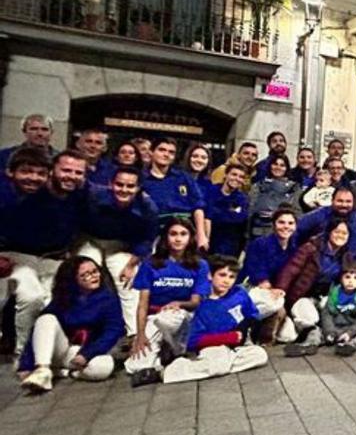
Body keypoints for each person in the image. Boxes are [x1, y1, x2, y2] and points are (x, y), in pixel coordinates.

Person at [0, 149, 88, 356]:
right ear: (10, 172)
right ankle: (23, 353)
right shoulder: (7, 195)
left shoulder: (71, 196)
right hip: (12, 255)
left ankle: (39, 352)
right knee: (31, 297)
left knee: (57, 297)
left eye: (39, 173)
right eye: (26, 172)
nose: (33, 178)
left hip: (48, 257)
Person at [125, 219, 212, 385]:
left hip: (184, 316)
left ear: (190, 238)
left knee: (167, 319)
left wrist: (178, 303)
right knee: (135, 366)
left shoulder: (200, 265)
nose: (178, 239)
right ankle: (163, 361)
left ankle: (176, 351)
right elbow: (143, 304)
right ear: (165, 238)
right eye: (173, 234)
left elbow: (195, 302)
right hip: (155, 317)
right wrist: (140, 334)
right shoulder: (150, 264)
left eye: (183, 234)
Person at [17, 256, 123, 392]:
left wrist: (87, 354)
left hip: (85, 351)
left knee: (104, 367)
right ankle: (43, 370)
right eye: (85, 275)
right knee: (46, 319)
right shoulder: (63, 299)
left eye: (95, 271)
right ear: (74, 279)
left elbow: (112, 331)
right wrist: (25, 365)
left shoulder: (108, 298)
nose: (93, 276)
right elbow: (39, 332)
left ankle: (62, 373)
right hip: (60, 348)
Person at [78, 166, 159, 334]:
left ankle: (134, 334)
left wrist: (131, 265)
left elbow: (147, 240)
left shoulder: (147, 208)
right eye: (119, 184)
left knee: (128, 281)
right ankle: (78, 328)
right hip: (89, 240)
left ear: (138, 188)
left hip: (120, 246)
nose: (124, 190)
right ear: (110, 184)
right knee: (84, 272)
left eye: (130, 186)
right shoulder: (93, 196)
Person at [161, 256, 268, 383]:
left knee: (260, 355)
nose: (226, 281)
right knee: (217, 367)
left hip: (237, 346)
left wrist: (244, 327)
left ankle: (219, 364)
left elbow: (253, 315)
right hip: (214, 345)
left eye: (231, 277)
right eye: (222, 275)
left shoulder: (239, 293)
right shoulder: (202, 305)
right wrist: (229, 337)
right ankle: (170, 371)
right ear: (210, 276)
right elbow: (193, 341)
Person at [276, 219, 353, 341]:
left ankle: (323, 333)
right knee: (309, 319)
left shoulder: (345, 256)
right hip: (304, 296)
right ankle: (309, 332)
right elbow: (291, 269)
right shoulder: (310, 248)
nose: (340, 236)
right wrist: (280, 289)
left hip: (325, 297)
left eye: (344, 233)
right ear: (329, 232)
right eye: (337, 232)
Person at [285, 260, 356, 357]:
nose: (351, 281)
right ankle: (309, 345)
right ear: (341, 278)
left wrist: (349, 333)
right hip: (332, 328)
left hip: (350, 330)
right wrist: (329, 332)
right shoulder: (334, 294)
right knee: (315, 330)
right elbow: (326, 313)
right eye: (347, 277)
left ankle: (350, 346)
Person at [141, 138, 208, 250]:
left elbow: (198, 207)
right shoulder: (142, 179)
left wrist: (201, 235)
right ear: (151, 152)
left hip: (184, 232)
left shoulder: (184, 177)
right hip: (153, 233)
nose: (166, 154)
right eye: (162, 150)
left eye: (171, 152)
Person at [203, 164, 250, 257]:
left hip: (231, 247)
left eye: (241, 177)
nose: (237, 178)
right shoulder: (210, 191)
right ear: (226, 175)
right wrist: (227, 213)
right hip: (209, 244)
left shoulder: (243, 199)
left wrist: (217, 214)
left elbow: (239, 219)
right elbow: (206, 215)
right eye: (234, 174)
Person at [247, 155, 300, 237]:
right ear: (270, 166)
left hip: (282, 233)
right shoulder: (258, 186)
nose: (278, 167)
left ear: (287, 168)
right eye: (275, 164)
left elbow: (297, 212)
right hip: (258, 231)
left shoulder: (294, 188)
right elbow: (250, 210)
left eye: (282, 165)